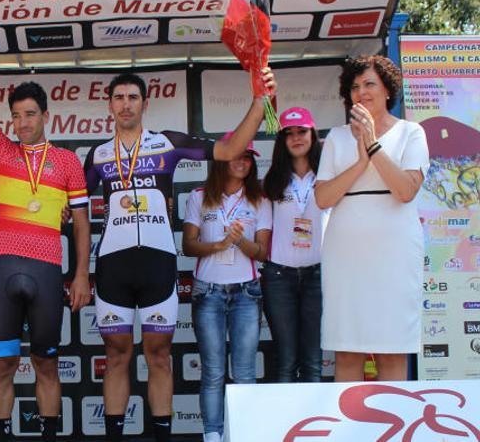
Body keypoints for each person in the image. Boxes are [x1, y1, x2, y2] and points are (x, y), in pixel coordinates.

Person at [83, 70, 276, 442]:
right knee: (117, 355)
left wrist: (258, 103)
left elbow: (228, 150)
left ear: (144, 104)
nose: (126, 104)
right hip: (112, 267)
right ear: (109, 104)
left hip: (157, 264)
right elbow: (71, 198)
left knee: (158, 356)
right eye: (119, 97)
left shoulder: (166, 144)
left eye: (133, 97)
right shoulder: (98, 154)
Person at [0, 19, 92, 442]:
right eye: (16, 116)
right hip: (4, 271)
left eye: (30, 114)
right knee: (2, 365)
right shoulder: (0, 151)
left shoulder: (68, 161)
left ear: (46, 116)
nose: (22, 122)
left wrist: (83, 273)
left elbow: (83, 222)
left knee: (47, 365)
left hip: (48, 270)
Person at [315, 55, 429, 381]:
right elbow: (323, 198)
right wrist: (360, 162)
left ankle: (394, 426)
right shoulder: (336, 137)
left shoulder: (411, 133)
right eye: (355, 86)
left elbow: (406, 190)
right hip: (345, 250)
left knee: (392, 348)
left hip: (394, 249)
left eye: (369, 84)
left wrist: (372, 145)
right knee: (347, 348)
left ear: (387, 90)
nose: (361, 92)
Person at [182, 134, 272, 442]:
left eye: (248, 157)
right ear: (222, 159)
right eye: (237, 155)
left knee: (245, 372)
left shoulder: (259, 199)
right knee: (213, 372)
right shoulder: (199, 196)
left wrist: (240, 241)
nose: (242, 162)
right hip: (208, 292)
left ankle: (243, 435)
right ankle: (213, 436)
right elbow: (189, 246)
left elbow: (261, 253)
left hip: (247, 293)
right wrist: (219, 244)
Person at [260, 107, 327, 382]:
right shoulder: (272, 181)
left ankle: (315, 424)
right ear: (282, 141)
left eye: (302, 131)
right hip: (279, 277)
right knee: (285, 359)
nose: (297, 138)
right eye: (290, 133)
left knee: (312, 360)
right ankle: (284, 425)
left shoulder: (328, 176)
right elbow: (264, 234)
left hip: (318, 274)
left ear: (313, 134)